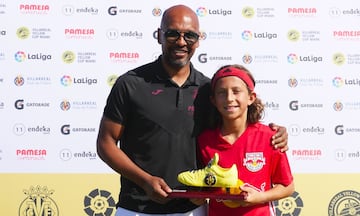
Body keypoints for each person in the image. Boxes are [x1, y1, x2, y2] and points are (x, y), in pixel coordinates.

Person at [96, 4, 289, 216]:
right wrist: (145, 180)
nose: (181, 42)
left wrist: (275, 133)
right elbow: (106, 143)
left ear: (198, 40)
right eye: (172, 34)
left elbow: (236, 132)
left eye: (189, 35)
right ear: (159, 35)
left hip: (193, 210)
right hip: (136, 208)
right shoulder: (130, 84)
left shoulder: (210, 90)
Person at [197, 64, 294, 216]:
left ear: (250, 98)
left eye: (236, 91)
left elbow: (287, 187)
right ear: (213, 100)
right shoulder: (204, 141)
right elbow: (202, 187)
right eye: (222, 93)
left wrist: (259, 197)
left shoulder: (270, 137)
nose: (229, 98)